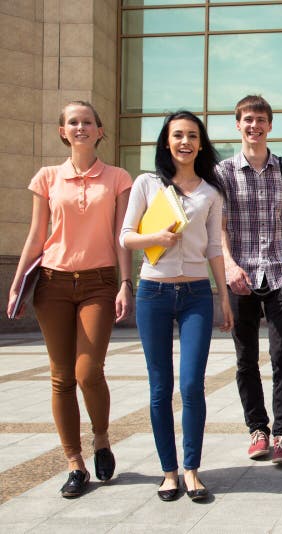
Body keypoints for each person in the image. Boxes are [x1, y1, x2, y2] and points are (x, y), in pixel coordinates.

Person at [6, 101, 132, 498]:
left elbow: (121, 236)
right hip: (51, 284)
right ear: (63, 131)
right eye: (73, 123)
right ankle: (74, 463)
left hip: (98, 282)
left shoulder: (117, 178)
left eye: (88, 122)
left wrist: (126, 282)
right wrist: (16, 282)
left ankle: (101, 438)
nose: (81, 127)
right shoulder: (46, 178)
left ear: (99, 131)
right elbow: (36, 233)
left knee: (88, 371)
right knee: (61, 377)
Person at [121, 110, 233, 502]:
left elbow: (216, 248)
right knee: (160, 386)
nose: (184, 142)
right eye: (177, 135)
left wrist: (223, 296)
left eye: (192, 136)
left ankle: (191, 470)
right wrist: (156, 236)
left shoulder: (211, 192)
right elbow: (126, 236)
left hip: (197, 295)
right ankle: (168, 472)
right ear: (166, 142)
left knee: (191, 384)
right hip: (153, 293)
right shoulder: (147, 184)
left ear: (201, 143)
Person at [216, 95, 282, 463]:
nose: (254, 126)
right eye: (248, 120)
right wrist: (228, 264)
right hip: (241, 276)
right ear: (238, 124)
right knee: (245, 358)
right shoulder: (222, 173)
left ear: (271, 126)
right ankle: (258, 430)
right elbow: (215, 226)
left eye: (261, 120)